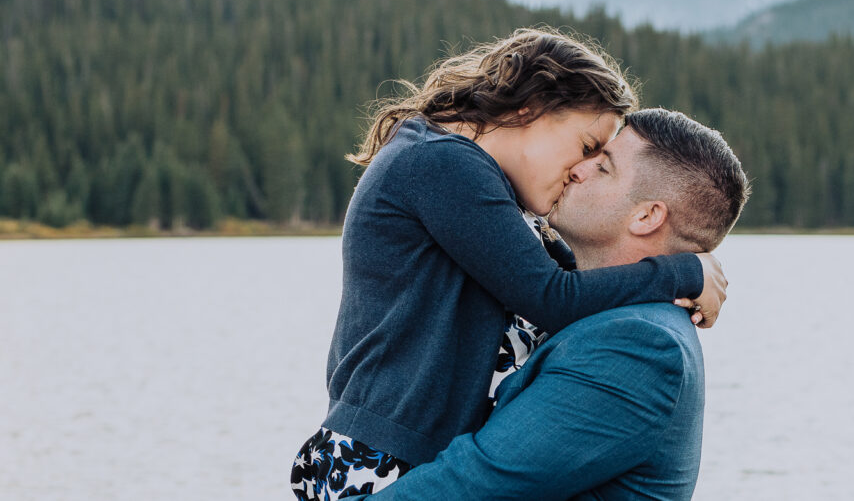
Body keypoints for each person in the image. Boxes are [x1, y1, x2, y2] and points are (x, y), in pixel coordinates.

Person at [291, 31, 729, 499]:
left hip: (409, 445)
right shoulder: (441, 165)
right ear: (530, 109)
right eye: (585, 147)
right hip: (386, 452)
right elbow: (553, 296)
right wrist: (683, 272)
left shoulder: (478, 179)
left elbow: (565, 279)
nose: (580, 169)